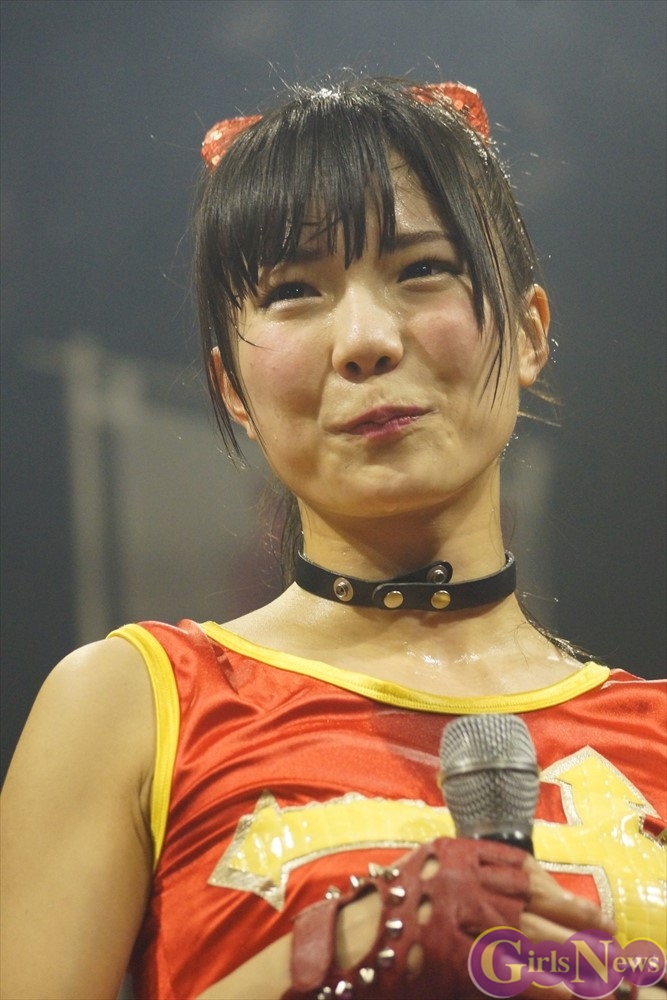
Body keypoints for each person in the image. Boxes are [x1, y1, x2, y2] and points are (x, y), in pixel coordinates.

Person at [1, 77, 665, 1000]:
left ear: (525, 332)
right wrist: (350, 942)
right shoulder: (134, 706)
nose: (364, 340)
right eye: (292, 291)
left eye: (421, 270)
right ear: (231, 388)